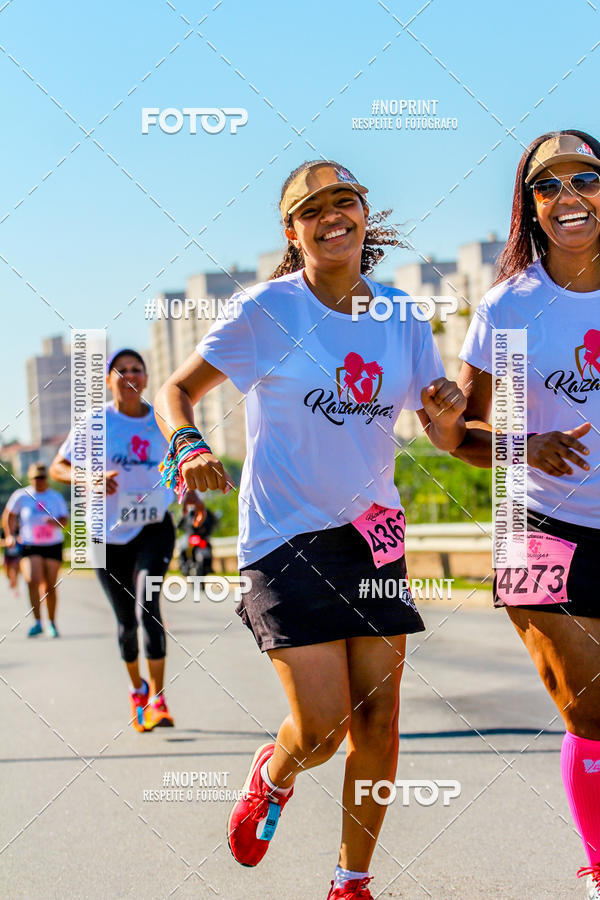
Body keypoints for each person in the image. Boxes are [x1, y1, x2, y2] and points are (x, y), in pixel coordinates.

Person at [154, 160, 468, 899]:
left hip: (373, 535)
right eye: (312, 208)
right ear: (292, 232)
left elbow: (442, 431)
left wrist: (448, 409)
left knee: (379, 720)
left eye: (344, 201)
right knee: (323, 729)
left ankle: (350, 881)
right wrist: (188, 445)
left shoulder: (402, 316)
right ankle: (275, 772)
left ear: (364, 214)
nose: (332, 216)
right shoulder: (268, 310)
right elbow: (177, 389)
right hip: (283, 539)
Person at [455, 130, 600, 898]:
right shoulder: (509, 307)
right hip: (537, 526)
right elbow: (460, 433)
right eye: (549, 185)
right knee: (590, 711)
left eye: (586, 177)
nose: (569, 195)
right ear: (530, 205)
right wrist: (526, 444)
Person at [50, 349, 198, 732]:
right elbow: (58, 467)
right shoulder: (95, 422)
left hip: (154, 525)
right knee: (125, 622)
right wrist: (89, 478)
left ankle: (159, 700)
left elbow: (181, 463)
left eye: (137, 369)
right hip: (105, 533)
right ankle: (138, 690)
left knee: (148, 606)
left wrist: (192, 496)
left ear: (146, 378)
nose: (130, 375)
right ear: (108, 380)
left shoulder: (160, 418)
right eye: (122, 370)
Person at [3, 463, 68, 637]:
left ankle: (52, 623)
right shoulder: (21, 495)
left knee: (50, 586)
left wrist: (54, 522)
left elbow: (65, 520)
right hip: (30, 544)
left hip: (52, 545)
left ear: (47, 478)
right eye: (36, 478)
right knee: (32, 580)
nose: (39, 481)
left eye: (42, 477)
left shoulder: (55, 497)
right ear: (31, 479)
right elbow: (8, 515)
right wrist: (9, 535)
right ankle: (38, 621)